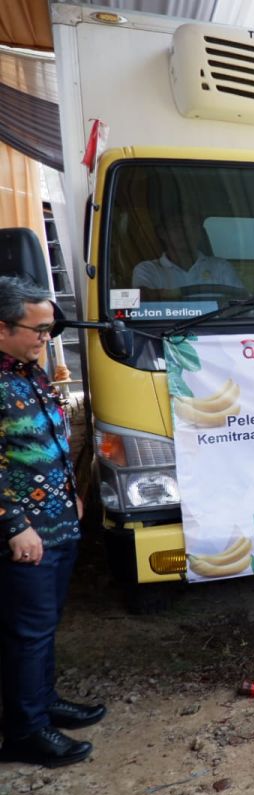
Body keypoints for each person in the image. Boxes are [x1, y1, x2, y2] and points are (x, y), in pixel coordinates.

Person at [0, 277, 106, 768]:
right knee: (28, 632)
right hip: (25, 535)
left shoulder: (30, 370)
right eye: (38, 329)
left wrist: (72, 497)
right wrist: (13, 525)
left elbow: (49, 443)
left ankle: (43, 703)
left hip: (60, 522)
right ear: (2, 328)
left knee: (45, 625)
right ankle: (25, 730)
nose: (47, 337)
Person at [131, 210, 244, 297]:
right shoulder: (148, 270)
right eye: (177, 226)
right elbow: (142, 305)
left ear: (199, 232)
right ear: (162, 233)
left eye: (191, 226)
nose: (185, 232)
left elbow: (240, 303)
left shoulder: (221, 267)